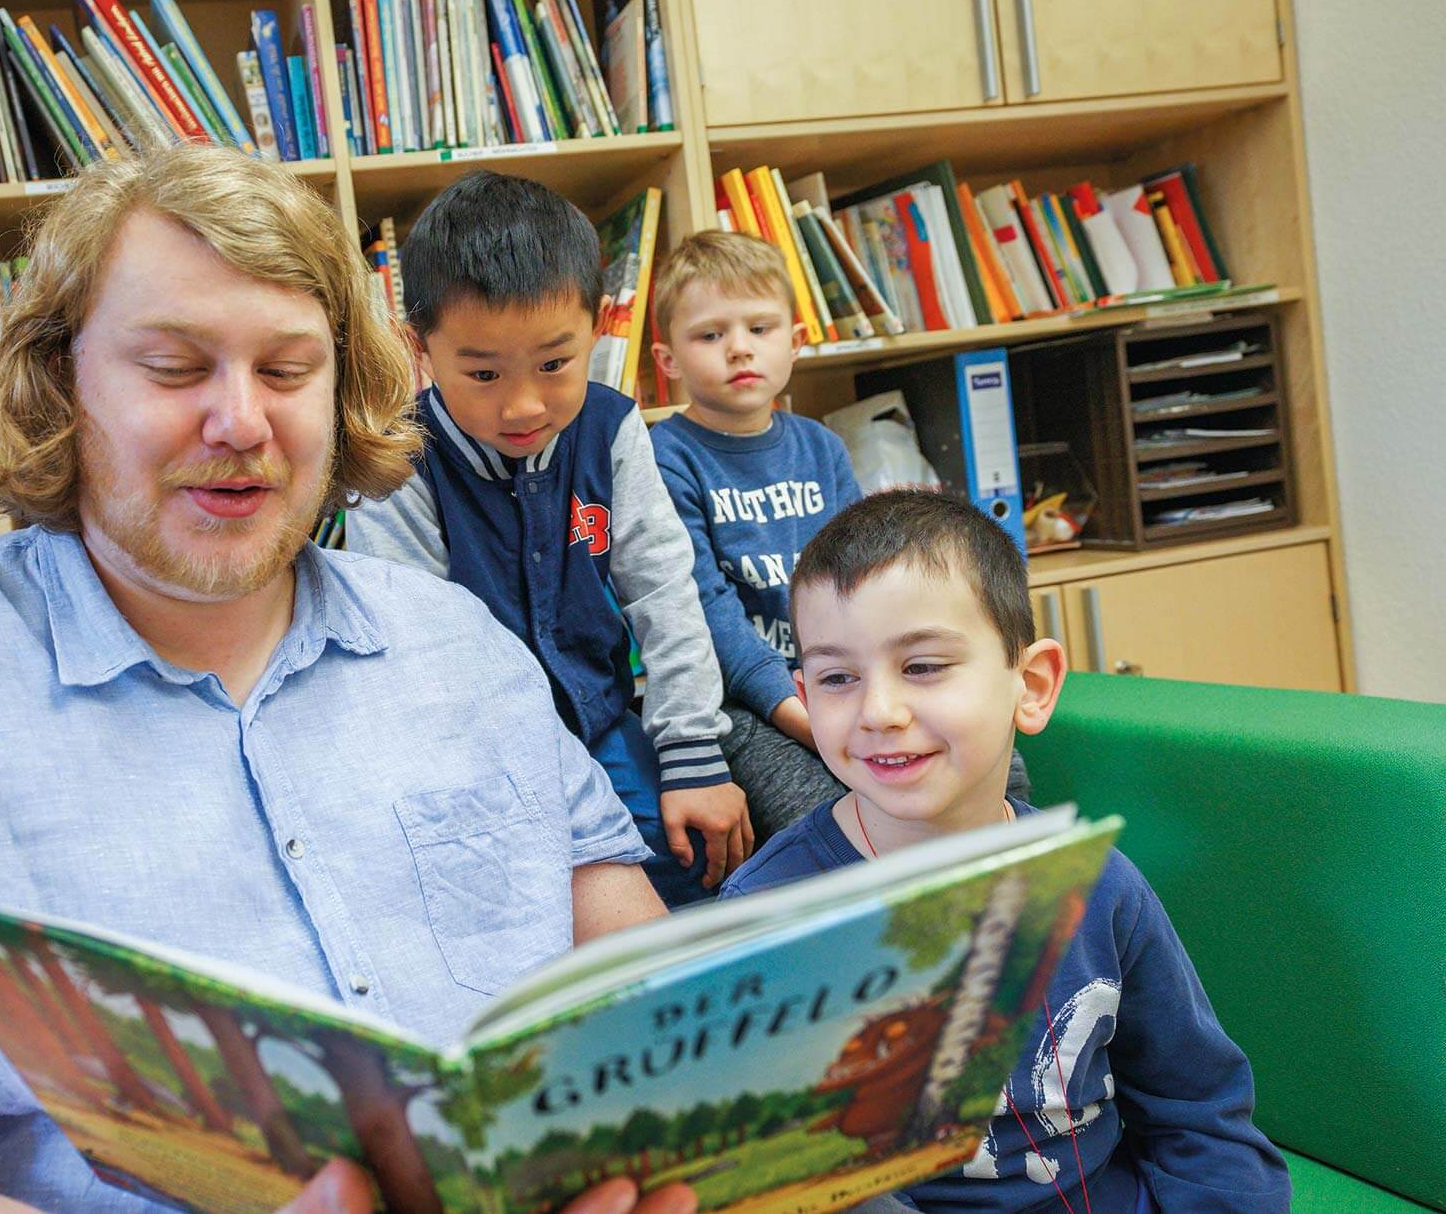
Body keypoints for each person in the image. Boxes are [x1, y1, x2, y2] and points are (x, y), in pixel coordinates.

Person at [0, 145, 678, 1211]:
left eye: (286, 370)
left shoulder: (459, 645)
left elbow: (653, 1002)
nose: (241, 422)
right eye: (175, 367)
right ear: (60, 381)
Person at [722, 489, 1291, 1211]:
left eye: (923, 665)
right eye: (839, 678)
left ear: (1032, 686)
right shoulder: (764, 917)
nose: (878, 712)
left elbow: (1200, 1111)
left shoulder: (1101, 885)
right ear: (805, 697)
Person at [344, 171, 751, 907]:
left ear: (598, 329)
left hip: (600, 721)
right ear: (419, 348)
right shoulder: (401, 459)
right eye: (483, 373)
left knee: (691, 865)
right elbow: (414, 650)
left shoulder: (612, 429)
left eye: (555, 365)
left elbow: (664, 592)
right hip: (472, 749)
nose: (524, 405)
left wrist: (693, 750)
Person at [645, 230, 862, 840]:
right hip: (741, 705)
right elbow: (707, 612)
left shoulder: (822, 448)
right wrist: (805, 720)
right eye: (710, 335)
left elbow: (865, 580)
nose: (739, 348)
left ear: (795, 341)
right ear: (668, 360)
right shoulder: (665, 457)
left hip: (840, 683)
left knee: (996, 771)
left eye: (760, 328)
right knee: (822, 817)